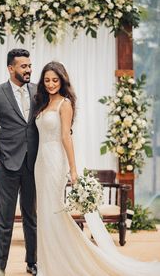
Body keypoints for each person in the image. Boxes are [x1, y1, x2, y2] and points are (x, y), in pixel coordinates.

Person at [34, 61, 160, 276]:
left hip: (55, 160)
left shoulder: (65, 104)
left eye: (55, 80)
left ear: (62, 80)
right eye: (47, 80)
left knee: (54, 212)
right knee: (44, 214)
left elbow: (66, 137)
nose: (51, 84)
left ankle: (60, 265)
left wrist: (73, 170)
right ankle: (48, 263)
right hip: (40, 162)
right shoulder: (43, 103)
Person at [0, 49, 38, 275]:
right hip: (6, 165)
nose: (29, 70)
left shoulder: (38, 91)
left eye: (30, 65)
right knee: (5, 220)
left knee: (31, 217)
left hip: (33, 164)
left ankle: (32, 262)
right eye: (24, 66)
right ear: (11, 68)